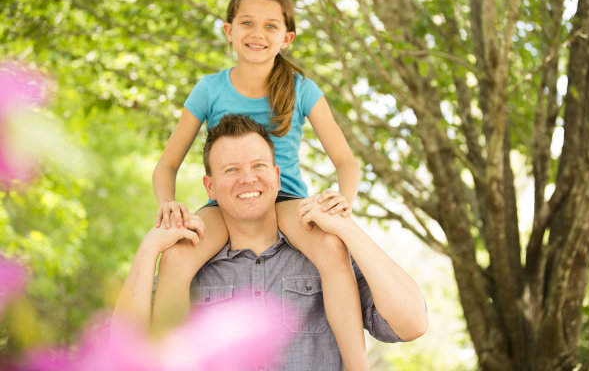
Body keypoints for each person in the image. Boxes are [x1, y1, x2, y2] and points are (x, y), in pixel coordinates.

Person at [151, 0, 365, 369]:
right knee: (177, 256)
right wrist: (168, 203)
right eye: (247, 22)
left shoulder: (303, 89)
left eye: (270, 26)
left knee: (333, 250)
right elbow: (167, 164)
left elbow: (347, 162)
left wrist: (343, 199)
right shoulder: (209, 89)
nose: (257, 34)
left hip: (285, 202)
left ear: (287, 38)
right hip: (226, 203)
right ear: (229, 30)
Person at [112, 114, 428, 370]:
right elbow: (125, 353)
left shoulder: (326, 254)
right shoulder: (185, 266)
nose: (248, 178)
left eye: (258, 166)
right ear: (210, 187)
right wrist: (149, 249)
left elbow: (412, 324)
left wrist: (348, 229)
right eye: (231, 169)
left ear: (277, 176)